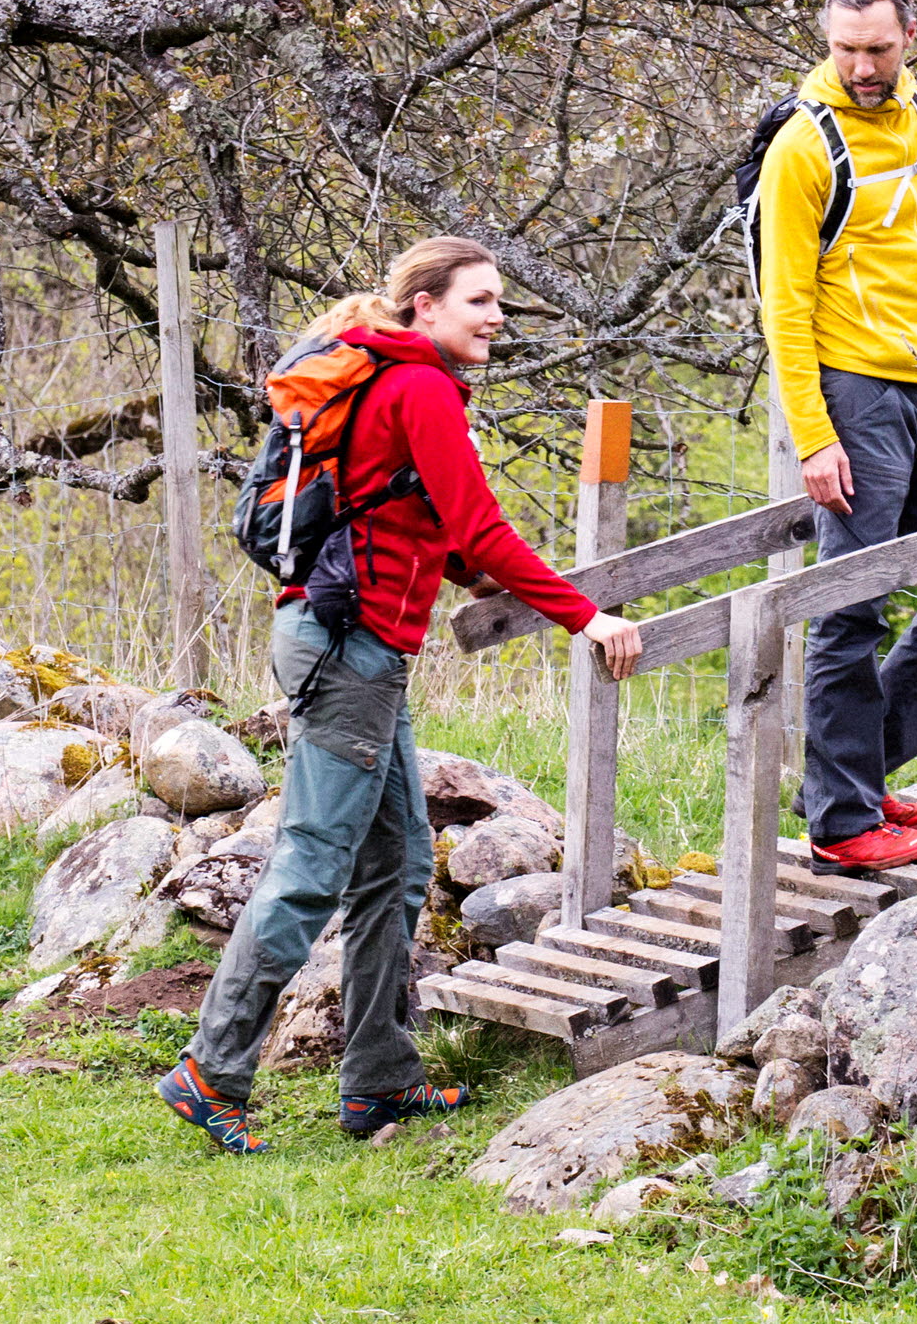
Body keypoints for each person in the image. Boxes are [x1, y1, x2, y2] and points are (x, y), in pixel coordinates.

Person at [157, 238, 642, 1154]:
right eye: (480, 301)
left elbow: (422, 520)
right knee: (310, 866)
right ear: (426, 306)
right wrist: (586, 617)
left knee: (400, 861)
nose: (497, 317)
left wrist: (464, 573)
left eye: (498, 301)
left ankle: (378, 1080)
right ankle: (210, 1071)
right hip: (347, 652)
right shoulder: (417, 387)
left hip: (358, 646)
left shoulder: (400, 381)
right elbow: (481, 526)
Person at [757, 0, 917, 871]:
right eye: (843, 49)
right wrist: (815, 437)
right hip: (850, 391)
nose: (860, 66)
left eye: (876, 48)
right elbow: (782, 305)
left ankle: (856, 772)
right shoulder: (802, 144)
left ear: (911, 38)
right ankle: (841, 823)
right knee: (849, 607)